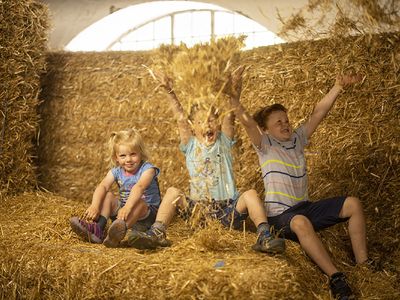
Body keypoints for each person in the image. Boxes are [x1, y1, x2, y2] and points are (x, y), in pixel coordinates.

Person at [226, 66, 370, 299]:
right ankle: (336, 278)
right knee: (301, 221)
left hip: (304, 207)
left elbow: (318, 113)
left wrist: (338, 87)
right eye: (278, 123)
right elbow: (248, 124)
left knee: (353, 204)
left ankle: (364, 264)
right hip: (279, 216)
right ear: (266, 130)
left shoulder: (297, 139)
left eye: (286, 120)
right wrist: (233, 97)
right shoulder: (265, 146)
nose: (284, 124)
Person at [127, 71, 285, 254]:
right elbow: (179, 118)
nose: (207, 125)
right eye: (200, 121)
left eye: (211, 120)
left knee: (250, 194)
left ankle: (264, 236)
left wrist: (233, 90)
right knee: (172, 192)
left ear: (217, 125)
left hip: (227, 210)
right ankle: (157, 232)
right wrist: (170, 92)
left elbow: (230, 116)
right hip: (198, 213)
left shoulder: (223, 143)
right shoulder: (190, 144)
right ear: (193, 127)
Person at [70, 128, 161, 248]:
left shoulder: (148, 169)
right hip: (124, 213)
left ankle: (119, 232)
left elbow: (139, 187)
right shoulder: (117, 171)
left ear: (141, 153)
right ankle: (98, 229)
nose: (128, 159)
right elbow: (102, 186)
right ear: (116, 158)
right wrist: (95, 206)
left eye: (133, 154)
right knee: (108, 195)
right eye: (123, 156)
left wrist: (128, 207)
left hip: (147, 215)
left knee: (140, 203)